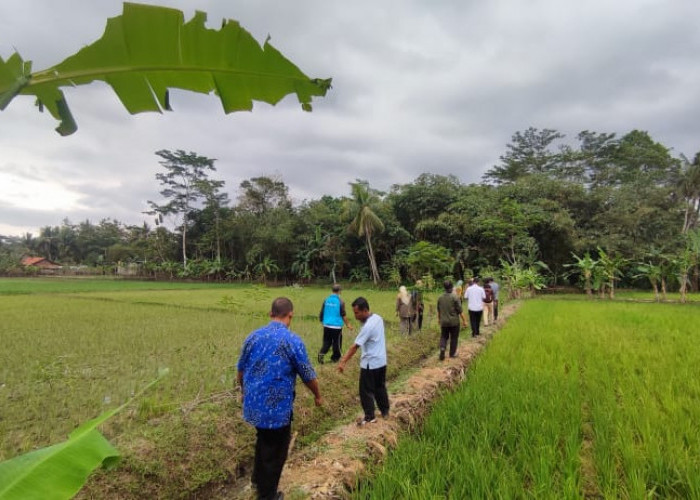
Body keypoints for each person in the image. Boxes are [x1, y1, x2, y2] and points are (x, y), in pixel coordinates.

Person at [237, 297, 322, 500]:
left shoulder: (253, 337)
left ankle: (258, 480)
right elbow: (308, 375)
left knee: (263, 439)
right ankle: (267, 495)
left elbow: (240, 370)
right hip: (276, 409)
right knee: (275, 452)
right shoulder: (292, 341)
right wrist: (318, 395)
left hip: (253, 404)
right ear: (290, 315)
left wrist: (243, 391)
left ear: (271, 314)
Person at [338, 297, 389, 425]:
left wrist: (343, 361)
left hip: (370, 364)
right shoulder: (378, 318)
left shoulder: (368, 327)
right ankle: (385, 411)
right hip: (381, 361)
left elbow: (355, 346)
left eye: (357, 313)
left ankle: (370, 416)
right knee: (380, 387)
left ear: (365, 310)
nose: (355, 316)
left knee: (365, 391)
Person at [318, 284, 353, 364]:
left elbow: (322, 311)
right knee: (337, 343)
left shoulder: (326, 300)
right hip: (336, 327)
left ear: (332, 290)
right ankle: (335, 359)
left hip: (326, 325)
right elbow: (343, 314)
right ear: (340, 291)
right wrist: (348, 324)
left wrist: (322, 320)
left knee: (327, 342)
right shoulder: (340, 301)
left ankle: (321, 354)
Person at [437, 280, 468, 360]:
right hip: (454, 322)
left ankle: (442, 348)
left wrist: (439, 319)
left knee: (444, 336)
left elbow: (439, 310)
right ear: (451, 287)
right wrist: (464, 321)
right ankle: (452, 353)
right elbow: (460, 311)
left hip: (444, 322)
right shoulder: (455, 297)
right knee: (454, 337)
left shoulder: (440, 298)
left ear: (444, 287)